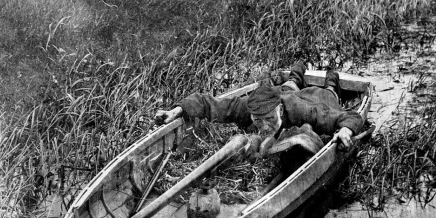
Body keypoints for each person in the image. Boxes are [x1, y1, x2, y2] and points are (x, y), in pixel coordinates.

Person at [155, 61, 364, 153]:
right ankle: (299, 67)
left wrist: (345, 129)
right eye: (258, 121)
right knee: (290, 83)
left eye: (270, 120)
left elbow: (350, 116)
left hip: (313, 98)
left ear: (280, 111)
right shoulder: (247, 107)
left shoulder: (304, 112)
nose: (264, 127)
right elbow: (207, 103)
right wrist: (177, 110)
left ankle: (332, 74)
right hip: (283, 91)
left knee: (329, 91)